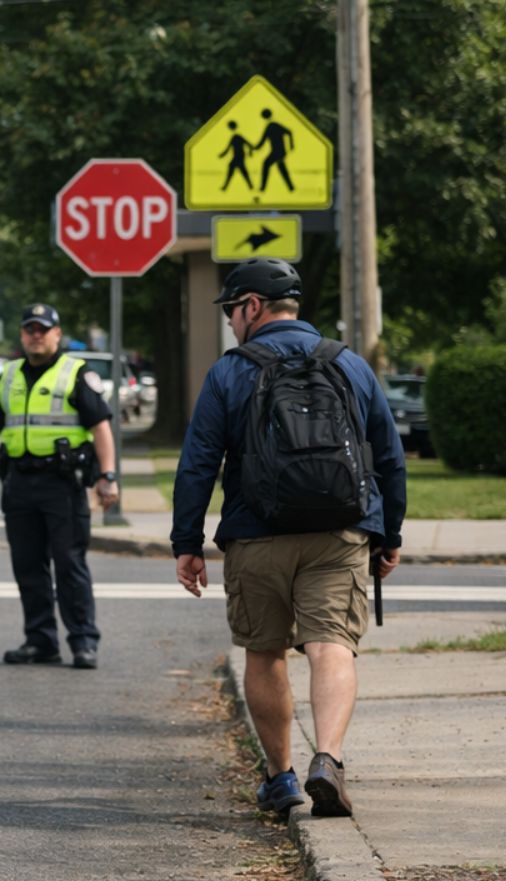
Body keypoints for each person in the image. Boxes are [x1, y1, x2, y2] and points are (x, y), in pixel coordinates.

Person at [172, 258, 406, 818]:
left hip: (257, 532)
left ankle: (281, 778)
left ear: (253, 305)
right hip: (339, 531)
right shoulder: (348, 363)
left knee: (265, 650)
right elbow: (390, 456)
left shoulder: (230, 371)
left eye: (231, 309)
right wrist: (388, 532)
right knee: (332, 646)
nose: (230, 320)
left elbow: (198, 461)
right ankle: (328, 757)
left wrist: (188, 541)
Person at [0, 303, 120, 670]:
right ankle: (40, 640)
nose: (36, 335)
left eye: (43, 329)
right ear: (22, 335)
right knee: (28, 565)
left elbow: (101, 426)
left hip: (62, 484)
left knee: (69, 564)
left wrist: (108, 475)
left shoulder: (74, 373)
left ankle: (83, 641)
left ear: (57, 333)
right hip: (18, 482)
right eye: (30, 329)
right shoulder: (8, 376)